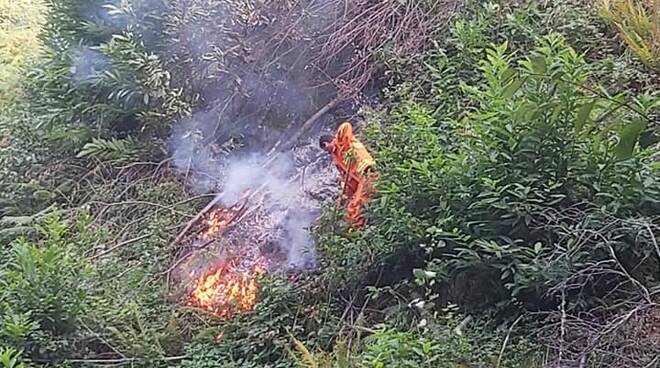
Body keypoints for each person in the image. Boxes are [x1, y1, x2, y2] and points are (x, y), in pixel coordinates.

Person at [319, 122, 376, 228]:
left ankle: (359, 234)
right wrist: (343, 198)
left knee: (354, 209)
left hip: (368, 174)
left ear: (326, 144)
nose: (329, 153)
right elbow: (346, 180)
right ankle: (361, 231)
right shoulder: (337, 157)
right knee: (351, 209)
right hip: (361, 180)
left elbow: (346, 126)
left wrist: (337, 139)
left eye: (327, 150)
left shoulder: (343, 142)